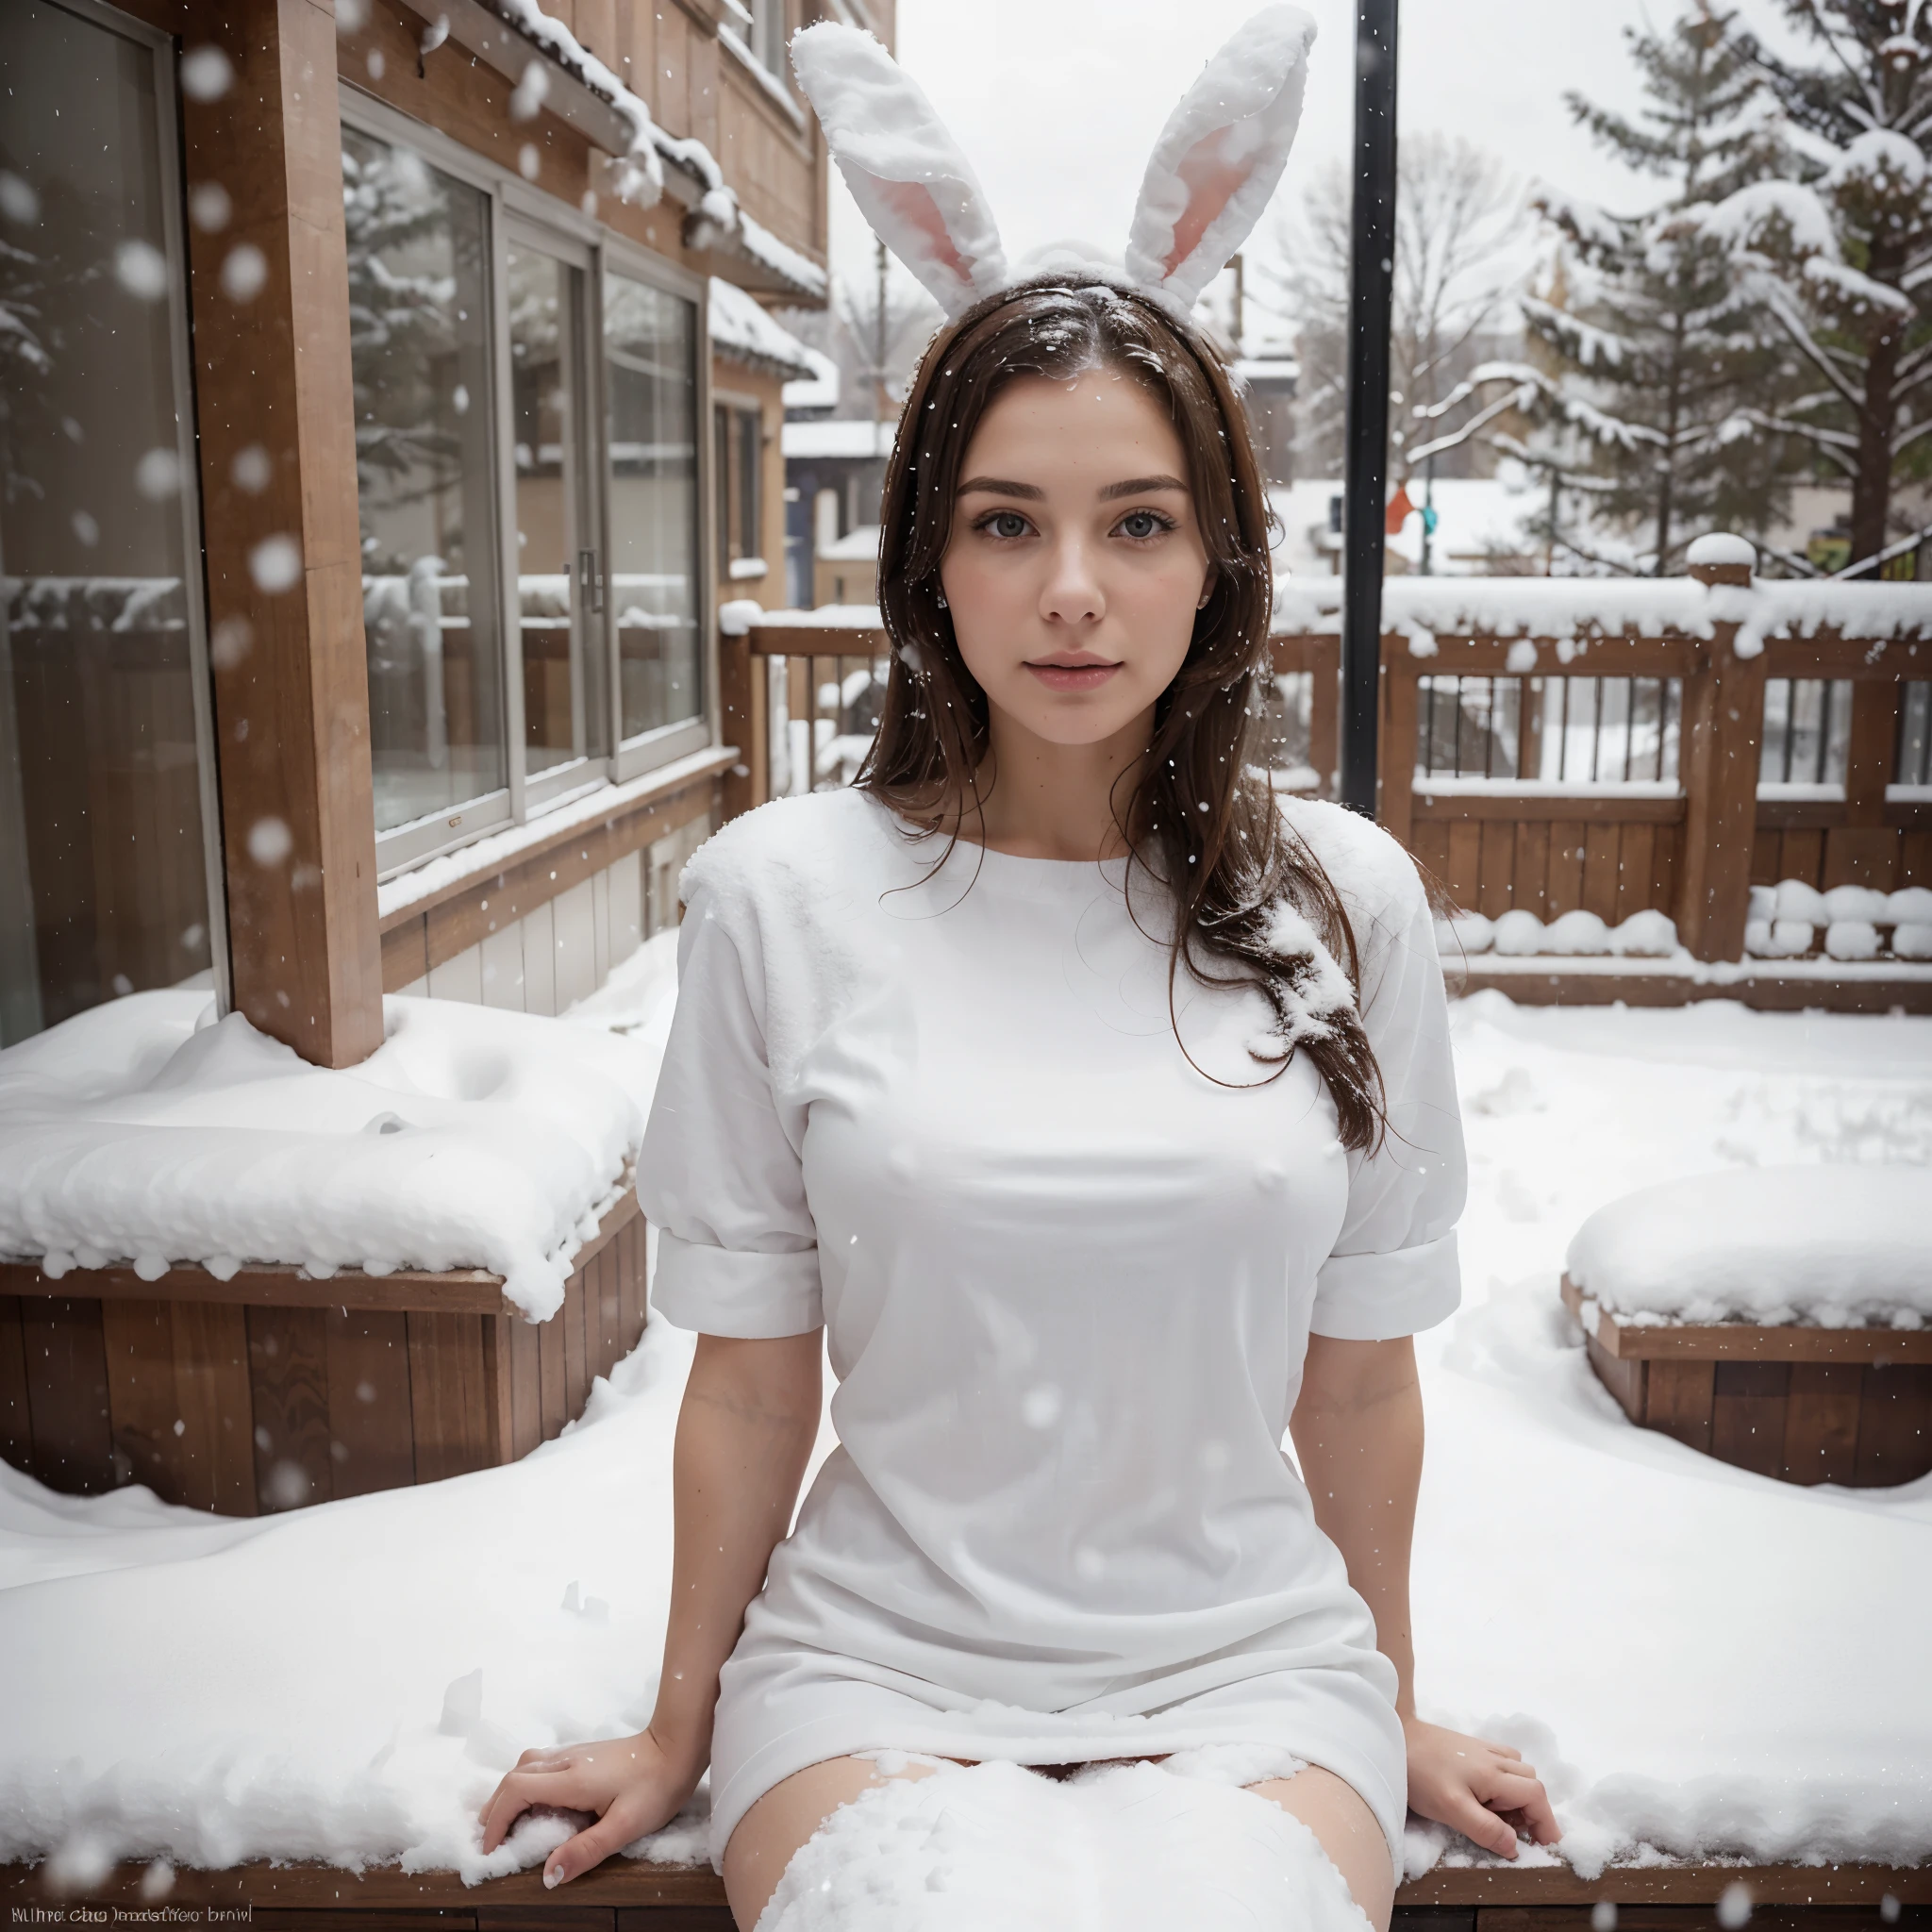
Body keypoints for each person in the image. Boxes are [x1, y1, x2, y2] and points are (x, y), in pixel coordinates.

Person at [477, 13, 1559, 1928]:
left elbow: (1361, 1378)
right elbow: (746, 1382)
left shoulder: (1349, 904)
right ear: (931, 566)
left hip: (1252, 1670)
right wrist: (673, 1718)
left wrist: (1387, 1701)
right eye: (1008, 522)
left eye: (1136, 523)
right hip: (870, 1666)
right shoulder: (778, 900)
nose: (1073, 587)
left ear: (1216, 562)